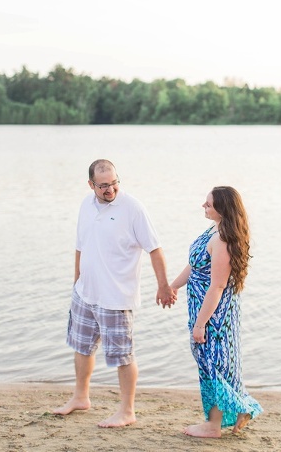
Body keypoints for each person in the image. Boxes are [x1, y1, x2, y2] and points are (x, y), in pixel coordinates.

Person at [53, 159, 175, 427]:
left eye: (115, 183)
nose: (111, 190)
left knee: (123, 355)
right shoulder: (86, 205)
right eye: (104, 185)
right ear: (91, 185)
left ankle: (127, 411)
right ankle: (80, 397)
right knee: (81, 347)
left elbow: (154, 248)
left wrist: (163, 285)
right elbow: (80, 247)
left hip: (116, 297)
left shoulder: (132, 208)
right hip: (85, 293)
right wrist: (76, 282)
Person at [169, 186, 262, 438]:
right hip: (206, 311)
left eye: (208, 204)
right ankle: (237, 410)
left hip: (214, 316)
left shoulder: (222, 240)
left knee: (212, 365)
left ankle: (213, 426)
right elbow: (194, 265)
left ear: (222, 208)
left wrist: (200, 325)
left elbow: (218, 285)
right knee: (216, 364)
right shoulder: (215, 230)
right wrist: (174, 285)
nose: (204, 206)